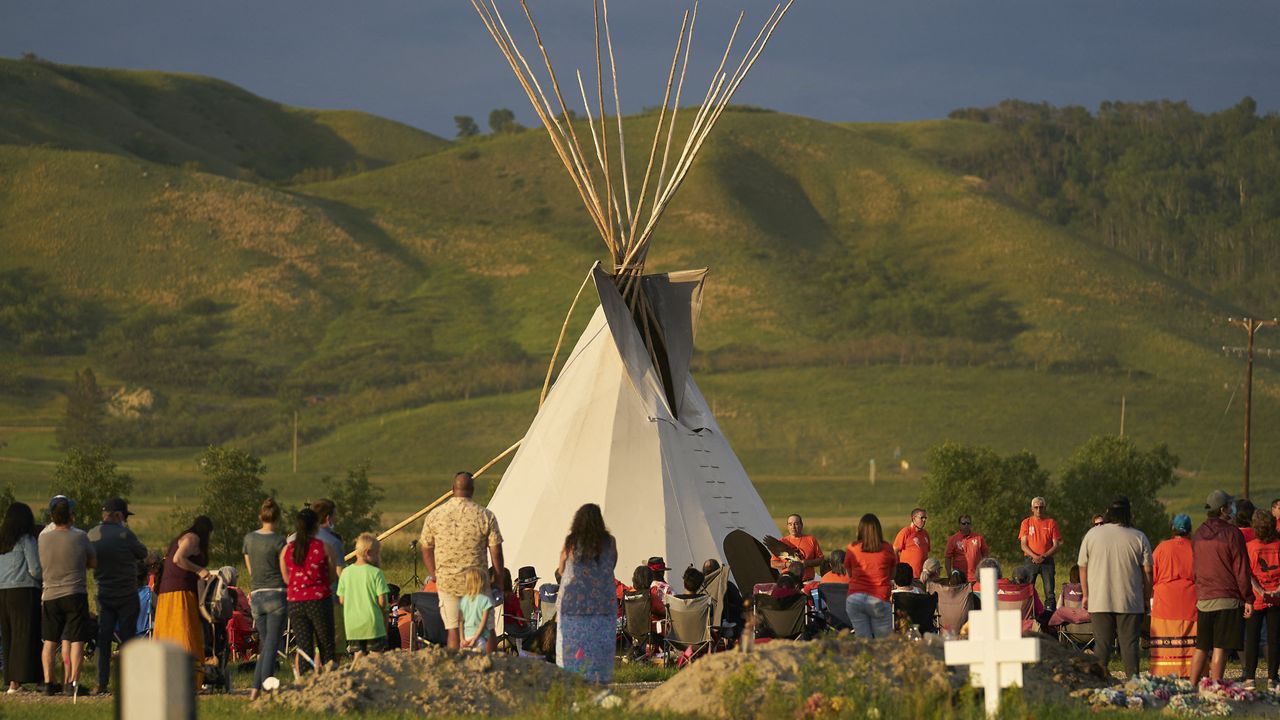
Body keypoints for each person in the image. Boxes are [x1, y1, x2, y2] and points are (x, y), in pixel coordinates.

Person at [420, 471, 504, 651]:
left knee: (453, 630)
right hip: (477, 582)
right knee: (487, 629)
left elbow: (426, 547)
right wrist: (498, 580)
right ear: (472, 490)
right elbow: (496, 551)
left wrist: (434, 574)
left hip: (448, 582)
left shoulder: (435, 515)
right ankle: (493, 670)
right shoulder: (485, 516)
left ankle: (456, 671)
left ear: (452, 490)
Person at [1079, 499, 1152, 678]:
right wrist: (1146, 597)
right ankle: (1133, 684)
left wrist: (1086, 594)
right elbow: (1148, 571)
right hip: (1130, 600)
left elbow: (1082, 566)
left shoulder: (1092, 535)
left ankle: (1097, 684)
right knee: (1129, 644)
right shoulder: (1138, 536)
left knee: (1102, 644)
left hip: (1099, 599)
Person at [1191, 490, 1253, 684]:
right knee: (1220, 647)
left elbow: (1195, 567)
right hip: (1227, 598)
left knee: (1201, 647)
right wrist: (1248, 598)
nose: (1232, 508)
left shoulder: (1198, 533)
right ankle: (1216, 686)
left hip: (1204, 598)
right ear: (1223, 509)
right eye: (1230, 505)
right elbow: (1241, 569)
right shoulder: (1232, 533)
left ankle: (1192, 686)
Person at [86, 498, 147, 695]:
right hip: (127, 594)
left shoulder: (92, 534)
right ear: (119, 515)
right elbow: (142, 553)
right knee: (128, 640)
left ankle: (101, 683)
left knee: (103, 640)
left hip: (103, 594)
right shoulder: (125, 534)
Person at [37, 497, 96, 696]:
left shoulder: (43, 537)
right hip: (74, 592)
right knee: (77, 639)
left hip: (50, 593)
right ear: (71, 517)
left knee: (49, 640)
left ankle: (48, 682)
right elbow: (92, 562)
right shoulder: (80, 536)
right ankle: (72, 684)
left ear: (52, 517)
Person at [556, 504, 617, 682]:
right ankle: (599, 682)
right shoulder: (609, 542)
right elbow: (611, 564)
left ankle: (572, 680)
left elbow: (561, 569)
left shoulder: (571, 542)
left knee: (571, 648)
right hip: (602, 604)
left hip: (573, 605)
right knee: (599, 648)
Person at [155, 516, 212, 686]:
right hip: (180, 593)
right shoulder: (193, 538)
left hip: (168, 593)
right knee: (185, 632)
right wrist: (199, 570)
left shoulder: (183, 537)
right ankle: (187, 678)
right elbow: (178, 559)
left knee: (168, 632)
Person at [282, 508, 338, 672]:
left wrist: (299, 587)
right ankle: (329, 675)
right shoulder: (324, 547)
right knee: (326, 641)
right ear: (315, 526)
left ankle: (304, 678)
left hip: (295, 602)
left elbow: (286, 578)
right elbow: (332, 575)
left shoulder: (287, 549)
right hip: (319, 599)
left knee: (303, 643)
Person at [242, 498, 287, 700]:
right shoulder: (279, 541)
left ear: (261, 516)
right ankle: (266, 687)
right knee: (271, 644)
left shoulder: (249, 539)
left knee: (265, 644)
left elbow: (251, 570)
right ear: (277, 518)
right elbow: (285, 573)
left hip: (257, 596)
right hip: (276, 594)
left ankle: (254, 690)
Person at [0, 501, 42, 693]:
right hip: (24, 591)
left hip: (3, 592)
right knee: (22, 635)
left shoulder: (2, 541)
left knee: (7, 635)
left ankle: (9, 679)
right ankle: (16, 682)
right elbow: (34, 569)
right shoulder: (27, 539)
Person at [1150, 513, 1197, 677]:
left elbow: (1151, 574)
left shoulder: (1162, 548)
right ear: (1190, 530)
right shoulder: (1195, 548)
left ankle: (1165, 671)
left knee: (1166, 638)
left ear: (1173, 529)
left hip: (1165, 602)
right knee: (1189, 639)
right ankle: (1190, 671)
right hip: (1190, 601)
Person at [338, 533, 390, 660]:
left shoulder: (345, 573)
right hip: (373, 625)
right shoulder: (376, 573)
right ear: (368, 553)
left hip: (353, 625)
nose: (378, 556)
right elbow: (382, 602)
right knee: (376, 657)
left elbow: (341, 600)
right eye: (377, 553)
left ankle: (357, 677)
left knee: (358, 655)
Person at [844, 513, 897, 638]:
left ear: (860, 530)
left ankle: (864, 657)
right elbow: (892, 574)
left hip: (855, 598)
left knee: (863, 641)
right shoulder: (887, 548)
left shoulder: (853, 548)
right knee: (883, 643)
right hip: (879, 598)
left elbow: (849, 573)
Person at [1244, 508, 1280, 686]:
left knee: (1252, 638)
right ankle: (1272, 678)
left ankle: (1250, 678)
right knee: (1274, 638)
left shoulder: (1250, 547)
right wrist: (1276, 590)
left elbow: (1248, 574)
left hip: (1256, 598)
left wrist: (1259, 590)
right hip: (1277, 597)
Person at [1019, 497, 1063, 611]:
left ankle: (1049, 618)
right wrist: (1035, 556)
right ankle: (1029, 615)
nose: (1039, 510)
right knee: (1028, 590)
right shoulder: (1026, 523)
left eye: (1041, 507)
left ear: (1045, 508)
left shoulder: (1051, 522)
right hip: (1030, 560)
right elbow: (1023, 544)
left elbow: (1056, 545)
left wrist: (1043, 556)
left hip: (1047, 560)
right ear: (1032, 509)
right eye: (1036, 507)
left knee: (1049, 592)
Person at [770, 514, 824, 582]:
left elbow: (821, 559)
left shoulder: (811, 539)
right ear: (787, 526)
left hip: (808, 582)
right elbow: (773, 563)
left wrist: (807, 563)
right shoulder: (782, 542)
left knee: (812, 592)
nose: (793, 527)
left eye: (796, 524)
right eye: (790, 524)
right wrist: (788, 564)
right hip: (789, 582)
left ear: (801, 525)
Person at [458, 566, 495, 652]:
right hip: (479, 638)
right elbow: (483, 622)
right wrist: (475, 638)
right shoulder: (485, 600)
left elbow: (460, 621)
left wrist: (462, 638)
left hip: (466, 638)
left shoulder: (463, 601)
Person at [945, 514, 988, 583]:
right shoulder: (953, 539)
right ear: (959, 525)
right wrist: (949, 574)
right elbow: (947, 557)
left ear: (971, 524)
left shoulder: (979, 538)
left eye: (968, 523)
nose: (966, 525)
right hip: (959, 578)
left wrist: (983, 570)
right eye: (963, 523)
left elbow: (985, 554)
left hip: (975, 578)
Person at [893, 508, 930, 578]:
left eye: (925, 518)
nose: (924, 520)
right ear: (914, 518)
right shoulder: (906, 532)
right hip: (908, 576)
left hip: (923, 576)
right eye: (921, 518)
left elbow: (925, 554)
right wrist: (898, 568)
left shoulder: (925, 534)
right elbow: (894, 550)